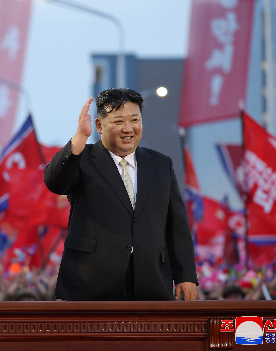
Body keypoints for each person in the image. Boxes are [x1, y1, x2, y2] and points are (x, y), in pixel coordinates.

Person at [44, 88, 198, 301]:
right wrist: (80, 138)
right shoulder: (83, 159)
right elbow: (55, 183)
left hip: (150, 283)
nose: (128, 129)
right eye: (118, 122)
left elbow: (177, 225)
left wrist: (186, 275)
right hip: (91, 284)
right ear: (99, 125)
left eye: (135, 120)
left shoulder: (161, 164)